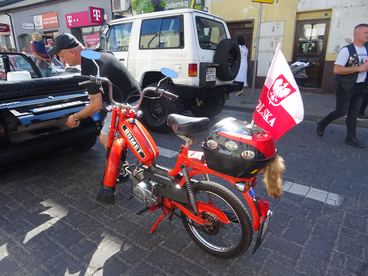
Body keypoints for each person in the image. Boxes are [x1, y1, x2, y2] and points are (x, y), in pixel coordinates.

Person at [47, 33, 140, 150]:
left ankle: (118, 167)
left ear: (71, 52)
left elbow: (96, 105)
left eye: (62, 56)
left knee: (105, 137)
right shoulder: (97, 53)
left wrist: (75, 117)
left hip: (127, 102)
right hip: (134, 95)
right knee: (114, 136)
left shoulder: (89, 66)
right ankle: (120, 159)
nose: (63, 61)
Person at [316, 23, 368, 148]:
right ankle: (322, 123)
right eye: (366, 33)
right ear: (356, 33)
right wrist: (358, 68)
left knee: (353, 114)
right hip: (346, 88)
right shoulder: (346, 50)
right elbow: (337, 70)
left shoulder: (366, 49)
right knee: (340, 112)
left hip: (361, 87)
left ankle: (350, 138)